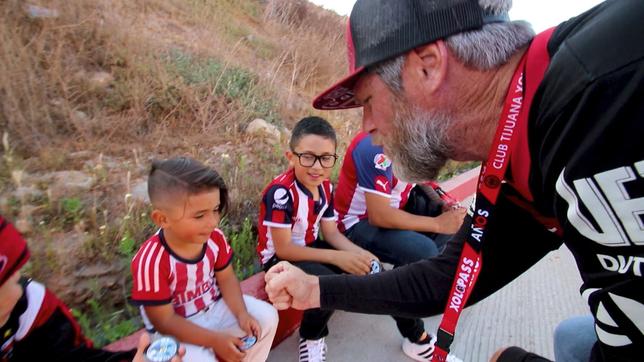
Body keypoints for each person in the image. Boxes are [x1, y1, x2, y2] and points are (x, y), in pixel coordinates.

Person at [264, 0, 644, 361]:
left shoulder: (600, 95)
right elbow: (447, 280)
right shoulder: (527, 135)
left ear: (427, 67)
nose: (367, 126)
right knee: (573, 339)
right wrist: (314, 288)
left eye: (367, 101)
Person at [256, 116, 382, 362]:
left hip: (310, 247)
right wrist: (337, 257)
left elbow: (332, 233)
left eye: (325, 158)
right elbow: (283, 249)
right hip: (280, 259)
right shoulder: (281, 193)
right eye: (307, 157)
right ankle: (311, 336)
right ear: (291, 156)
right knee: (328, 284)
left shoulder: (325, 188)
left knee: (369, 267)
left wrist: (358, 254)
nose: (317, 167)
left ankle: (415, 335)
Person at [130, 157, 278, 362]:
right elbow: (164, 321)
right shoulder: (152, 261)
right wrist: (215, 340)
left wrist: (242, 314)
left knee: (267, 318)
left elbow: (226, 279)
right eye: (199, 216)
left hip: (214, 308)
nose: (213, 221)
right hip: (176, 329)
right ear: (162, 219)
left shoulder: (214, 238)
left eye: (216, 210)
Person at [334, 131, 465, 360]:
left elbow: (418, 179)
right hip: (356, 223)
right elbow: (379, 215)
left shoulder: (411, 135)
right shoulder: (374, 147)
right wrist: (437, 224)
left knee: (456, 226)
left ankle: (411, 284)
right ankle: (415, 337)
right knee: (423, 252)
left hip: (396, 209)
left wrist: (443, 203)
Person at [0, 214, 137, 361]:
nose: (19, 277)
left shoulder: (32, 305)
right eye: (10, 275)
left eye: (17, 270)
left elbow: (73, 356)